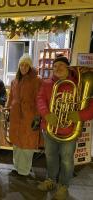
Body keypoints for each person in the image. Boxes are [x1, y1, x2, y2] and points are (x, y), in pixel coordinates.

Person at [36, 56, 93, 200]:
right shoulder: (47, 83)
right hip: (50, 129)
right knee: (50, 157)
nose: (57, 68)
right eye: (55, 66)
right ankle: (51, 180)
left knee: (67, 161)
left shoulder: (78, 84)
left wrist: (80, 115)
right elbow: (40, 100)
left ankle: (63, 186)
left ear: (68, 67)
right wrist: (47, 114)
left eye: (61, 65)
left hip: (70, 131)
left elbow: (91, 105)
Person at [7, 54, 42, 177]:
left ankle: (25, 171)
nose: (23, 67)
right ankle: (17, 168)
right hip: (16, 117)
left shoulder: (37, 80)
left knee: (27, 145)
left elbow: (39, 100)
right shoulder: (15, 81)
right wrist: (7, 109)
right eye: (21, 64)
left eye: (26, 65)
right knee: (17, 144)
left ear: (30, 66)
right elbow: (11, 98)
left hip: (29, 117)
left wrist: (37, 117)